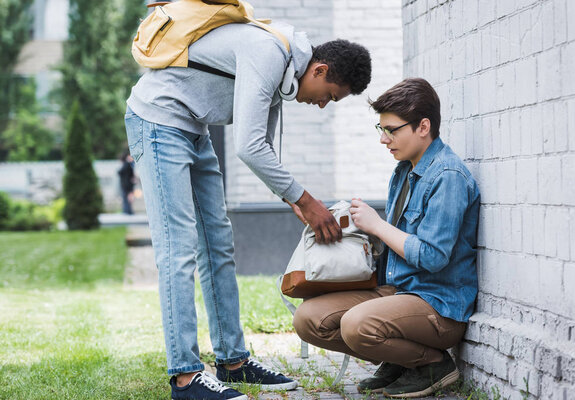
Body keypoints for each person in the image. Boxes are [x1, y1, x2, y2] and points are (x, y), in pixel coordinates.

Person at [124, 16, 372, 400]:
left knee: (217, 245)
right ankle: (186, 378)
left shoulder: (285, 69)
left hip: (193, 128)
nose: (322, 105)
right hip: (158, 122)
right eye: (329, 95)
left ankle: (233, 362)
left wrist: (292, 199)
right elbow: (249, 146)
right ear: (319, 70)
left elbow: (262, 148)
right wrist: (306, 200)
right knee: (178, 249)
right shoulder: (270, 52)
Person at [293, 78, 480, 398]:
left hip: (437, 304)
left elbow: (434, 256)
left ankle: (433, 365)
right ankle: (401, 361)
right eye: (380, 129)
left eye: (391, 130)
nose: (383, 139)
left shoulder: (448, 177)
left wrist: (378, 226)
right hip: (396, 290)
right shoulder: (404, 171)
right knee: (309, 320)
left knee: (356, 325)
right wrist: (350, 226)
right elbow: (394, 240)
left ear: (423, 126)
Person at [117, 150, 135, 215]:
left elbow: (119, 172)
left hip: (127, 184)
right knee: (128, 198)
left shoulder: (127, 164)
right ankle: (128, 211)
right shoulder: (128, 164)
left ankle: (127, 211)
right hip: (127, 184)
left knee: (127, 198)